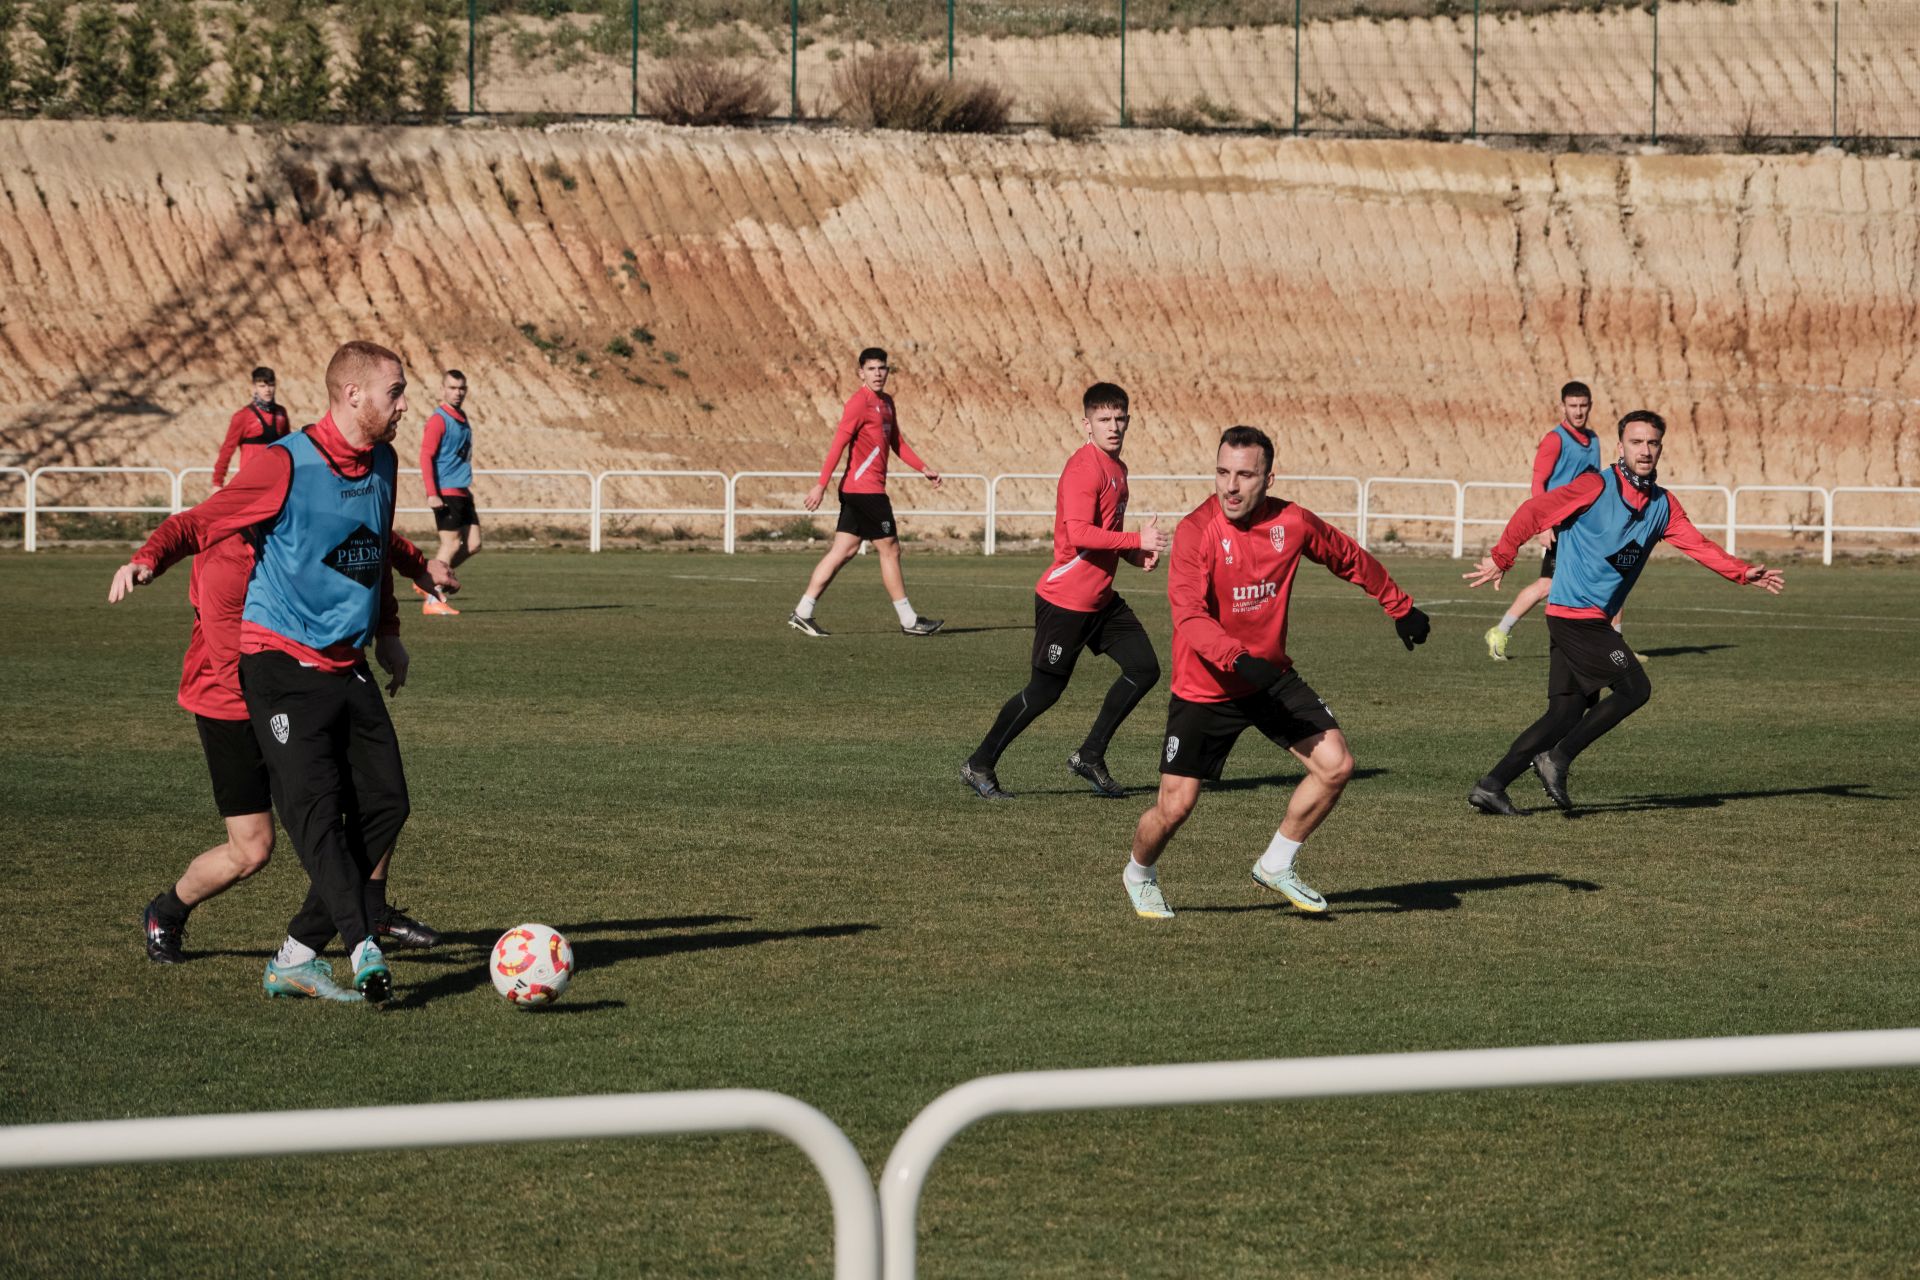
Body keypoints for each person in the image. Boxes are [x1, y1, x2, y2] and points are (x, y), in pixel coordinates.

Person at [110, 341, 425, 1006]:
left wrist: (391, 630)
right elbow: (198, 523)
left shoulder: (383, 462)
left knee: (384, 802)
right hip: (242, 691)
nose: (404, 405)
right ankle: (345, 939)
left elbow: (373, 545)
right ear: (353, 395)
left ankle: (326, 937)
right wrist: (147, 558)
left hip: (335, 669)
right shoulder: (274, 475)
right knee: (256, 848)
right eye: (396, 391)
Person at [1123, 426, 1430, 920]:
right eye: (1223, 472)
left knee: (1336, 765)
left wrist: (1399, 605)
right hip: (1206, 685)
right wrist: (1237, 658)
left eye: (1245, 475)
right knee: (1175, 807)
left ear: (1268, 479)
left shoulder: (1292, 522)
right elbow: (1189, 616)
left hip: (1268, 676)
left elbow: (1346, 555)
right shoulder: (1198, 531)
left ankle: (1276, 863)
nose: (1231, 486)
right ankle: (1139, 874)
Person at [129, 506, 456, 965]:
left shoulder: (302, 518)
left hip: (304, 689)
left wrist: (414, 576)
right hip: (232, 705)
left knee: (372, 796)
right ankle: (166, 911)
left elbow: (370, 535)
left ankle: (372, 908)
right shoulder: (227, 563)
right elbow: (231, 663)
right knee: (252, 849)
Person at [1463, 410, 1784, 815]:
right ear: (1620, 447)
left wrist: (1741, 572)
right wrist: (1502, 557)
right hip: (1575, 617)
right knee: (1635, 689)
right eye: (1636, 442)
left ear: (1660, 448)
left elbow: (1698, 545)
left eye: (1652, 443)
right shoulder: (1594, 485)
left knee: (1565, 713)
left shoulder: (1663, 504)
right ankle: (1556, 759)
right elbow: (1533, 512)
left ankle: (1492, 786)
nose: (1644, 450)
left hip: (1585, 620)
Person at [961, 383, 1164, 800]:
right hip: (1066, 602)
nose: (1113, 426)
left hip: (1101, 601)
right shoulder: (1083, 468)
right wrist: (1135, 540)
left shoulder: (1118, 469)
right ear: (1086, 424)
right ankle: (979, 763)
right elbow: (1079, 534)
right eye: (1104, 419)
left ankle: (1090, 755)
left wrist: (1135, 556)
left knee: (1144, 668)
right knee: (1044, 693)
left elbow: (1104, 537)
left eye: (1119, 418)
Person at [787, 347, 944, 637]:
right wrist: (821, 484)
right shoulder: (858, 403)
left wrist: (923, 468)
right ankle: (909, 620)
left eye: (882, 368)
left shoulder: (887, 403)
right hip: (864, 491)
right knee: (890, 549)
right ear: (861, 373)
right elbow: (838, 445)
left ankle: (803, 612)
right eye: (871, 369)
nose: (877, 373)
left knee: (843, 551)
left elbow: (897, 443)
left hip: (860, 490)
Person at [1484, 381, 1601, 661]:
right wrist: (1544, 524)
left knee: (1609, 576)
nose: (1578, 411)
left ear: (1590, 406)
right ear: (1562, 407)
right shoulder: (1555, 440)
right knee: (1547, 585)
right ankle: (1500, 631)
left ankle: (1615, 643)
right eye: (1572, 405)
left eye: (1583, 405)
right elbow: (1538, 482)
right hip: (1560, 526)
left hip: (1585, 526)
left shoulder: (1594, 439)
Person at [417, 369, 478, 617]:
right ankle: (432, 599)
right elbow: (426, 456)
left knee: (473, 544)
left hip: (462, 491)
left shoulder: (461, 417)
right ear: (443, 389)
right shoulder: (439, 419)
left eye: (461, 388)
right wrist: (432, 492)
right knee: (450, 544)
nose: (457, 392)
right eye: (452, 388)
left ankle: (428, 578)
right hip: (445, 490)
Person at [212, 365, 291, 488]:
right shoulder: (243, 416)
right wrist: (217, 482)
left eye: (271, 385)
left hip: (275, 480)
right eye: (262, 386)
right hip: (251, 481)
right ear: (254, 388)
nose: (267, 390)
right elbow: (227, 449)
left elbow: (288, 447)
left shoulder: (281, 413)